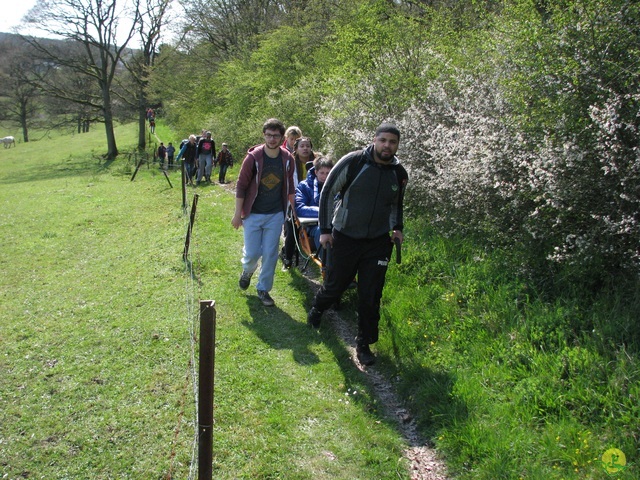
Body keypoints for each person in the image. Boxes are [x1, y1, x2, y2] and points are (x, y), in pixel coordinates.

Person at [306, 123, 408, 366]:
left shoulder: (399, 173)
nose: (387, 146)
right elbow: (328, 192)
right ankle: (318, 310)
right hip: (345, 236)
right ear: (374, 140)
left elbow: (396, 205)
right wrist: (326, 230)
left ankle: (363, 345)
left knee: (371, 294)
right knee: (335, 285)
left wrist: (398, 228)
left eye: (392, 142)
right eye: (383, 140)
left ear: (397, 145)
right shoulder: (353, 162)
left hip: (378, 241)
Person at [232, 118, 296, 307]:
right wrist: (237, 214)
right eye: (268, 135)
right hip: (253, 213)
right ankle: (248, 271)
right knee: (252, 253)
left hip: (275, 214)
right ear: (264, 135)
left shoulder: (287, 158)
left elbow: (290, 186)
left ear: (282, 137)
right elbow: (241, 186)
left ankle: (263, 289)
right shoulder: (253, 158)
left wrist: (293, 210)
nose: (272, 139)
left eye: (276, 136)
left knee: (270, 253)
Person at [281, 136, 317, 269]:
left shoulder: (317, 161)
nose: (305, 148)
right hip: (295, 199)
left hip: (314, 200)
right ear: (296, 148)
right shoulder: (290, 162)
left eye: (307, 145)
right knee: (292, 229)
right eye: (302, 146)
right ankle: (288, 259)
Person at [295, 155, 334, 252]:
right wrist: (324, 212)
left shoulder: (337, 185)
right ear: (316, 172)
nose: (325, 176)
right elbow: (300, 208)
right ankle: (326, 264)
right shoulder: (304, 186)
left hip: (334, 222)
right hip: (312, 225)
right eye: (322, 173)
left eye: (328, 173)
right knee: (321, 231)